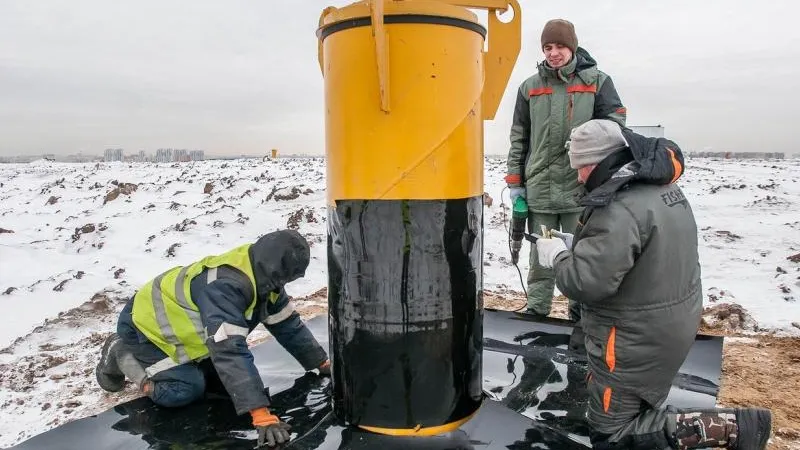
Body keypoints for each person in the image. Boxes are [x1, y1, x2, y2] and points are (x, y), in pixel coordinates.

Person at [534, 119, 772, 449]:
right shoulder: (661, 189)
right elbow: (641, 251)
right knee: (643, 405)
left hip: (632, 339)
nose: (579, 176)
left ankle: (735, 427)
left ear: (602, 160)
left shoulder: (617, 207)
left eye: (583, 167)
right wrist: (583, 246)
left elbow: (585, 283)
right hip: (669, 324)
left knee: (611, 434)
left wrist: (558, 258)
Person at [95, 229, 331, 448]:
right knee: (185, 389)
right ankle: (121, 353)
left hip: (186, 335)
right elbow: (229, 350)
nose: (284, 285)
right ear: (272, 269)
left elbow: (287, 324)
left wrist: (321, 363)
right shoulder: (226, 287)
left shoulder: (264, 277)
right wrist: (260, 415)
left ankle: (187, 365)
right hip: (145, 329)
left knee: (222, 385)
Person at [505, 18, 627, 319]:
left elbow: (615, 129)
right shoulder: (529, 88)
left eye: (559, 46)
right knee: (541, 254)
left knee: (582, 254)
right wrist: (515, 181)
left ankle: (580, 313)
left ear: (571, 47)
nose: (553, 52)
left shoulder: (597, 82)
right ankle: (537, 310)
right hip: (541, 187)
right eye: (547, 47)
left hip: (580, 189)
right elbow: (519, 137)